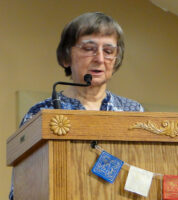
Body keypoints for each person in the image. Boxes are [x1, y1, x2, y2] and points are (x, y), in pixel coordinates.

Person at [9, 12, 143, 200]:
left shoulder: (133, 111)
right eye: (89, 48)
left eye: (108, 51)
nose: (99, 58)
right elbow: (20, 190)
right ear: (66, 57)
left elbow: (142, 178)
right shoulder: (41, 113)